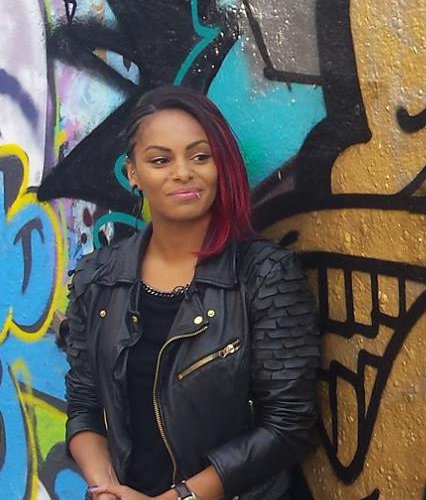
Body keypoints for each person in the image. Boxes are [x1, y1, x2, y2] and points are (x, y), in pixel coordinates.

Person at [62, 86, 319, 500]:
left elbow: (288, 425)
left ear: (221, 165)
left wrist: (178, 497)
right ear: (132, 172)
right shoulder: (99, 278)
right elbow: (84, 405)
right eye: (160, 160)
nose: (183, 172)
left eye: (200, 157)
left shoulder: (264, 276)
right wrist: (106, 486)